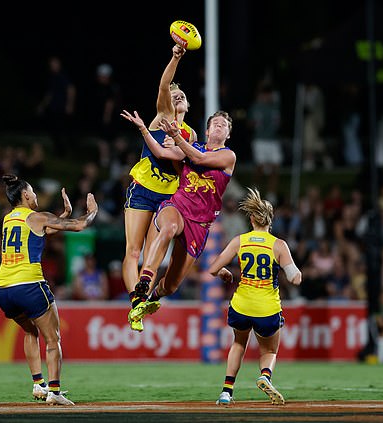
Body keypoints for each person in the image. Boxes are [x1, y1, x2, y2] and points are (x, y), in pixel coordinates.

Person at [120, 108, 235, 330]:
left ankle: (155, 295)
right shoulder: (190, 147)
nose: (220, 126)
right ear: (207, 129)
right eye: (216, 123)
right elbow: (163, 155)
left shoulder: (228, 156)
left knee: (171, 286)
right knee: (169, 227)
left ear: (228, 134)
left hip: (199, 223)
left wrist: (176, 138)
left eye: (225, 125)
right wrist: (145, 129)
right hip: (177, 206)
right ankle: (144, 283)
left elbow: (198, 158)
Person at [0, 174, 97, 406]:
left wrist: (63, 215)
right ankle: (54, 391)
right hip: (30, 285)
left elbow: (41, 231)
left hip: (4, 290)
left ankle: (38, 384)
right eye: (32, 191)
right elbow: (80, 226)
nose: (35, 195)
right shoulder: (36, 216)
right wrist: (92, 210)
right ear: (25, 195)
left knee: (30, 332)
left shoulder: (8, 219)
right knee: (53, 339)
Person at [122, 44, 197, 332]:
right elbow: (164, 83)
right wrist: (176, 57)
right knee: (132, 250)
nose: (177, 96)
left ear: (188, 107)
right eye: (175, 95)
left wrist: (178, 146)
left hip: (167, 197)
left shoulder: (189, 136)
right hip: (142, 189)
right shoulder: (163, 116)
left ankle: (141, 301)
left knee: (152, 254)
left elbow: (177, 157)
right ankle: (134, 302)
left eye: (183, 96)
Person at [208, 187, 302, 406]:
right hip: (267, 308)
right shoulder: (279, 245)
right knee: (269, 349)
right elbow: (293, 277)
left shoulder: (239, 241)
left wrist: (224, 272)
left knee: (238, 344)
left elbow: (214, 268)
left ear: (251, 219)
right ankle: (265, 376)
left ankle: (226, 391)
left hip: (241, 305)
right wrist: (297, 274)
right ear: (271, 220)